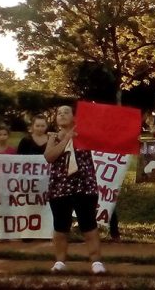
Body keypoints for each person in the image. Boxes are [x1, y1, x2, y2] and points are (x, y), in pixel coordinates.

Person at [44, 106, 105, 274]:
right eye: (59, 113)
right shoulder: (53, 138)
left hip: (84, 186)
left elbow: (105, 138)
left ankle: (96, 262)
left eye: (66, 112)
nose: (62, 115)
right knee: (60, 227)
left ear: (74, 117)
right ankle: (60, 262)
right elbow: (49, 156)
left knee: (89, 225)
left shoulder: (84, 134)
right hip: (60, 187)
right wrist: (66, 139)